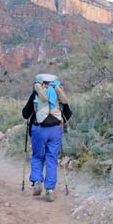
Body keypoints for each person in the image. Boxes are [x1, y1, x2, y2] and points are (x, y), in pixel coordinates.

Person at [22, 74, 71, 202]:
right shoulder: (59, 94)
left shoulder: (36, 94)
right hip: (55, 130)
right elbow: (68, 114)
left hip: (39, 130)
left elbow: (25, 113)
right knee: (51, 158)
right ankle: (49, 190)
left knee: (38, 156)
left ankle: (37, 181)